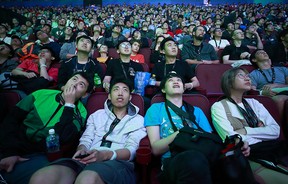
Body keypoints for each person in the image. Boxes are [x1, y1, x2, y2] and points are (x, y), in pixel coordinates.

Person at [29, 78, 147, 184]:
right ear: (109, 96)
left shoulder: (139, 120)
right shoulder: (97, 115)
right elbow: (86, 138)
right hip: (86, 158)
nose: (120, 93)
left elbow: (132, 150)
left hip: (116, 162)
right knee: (42, 177)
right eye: (116, 89)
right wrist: (82, 150)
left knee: (87, 179)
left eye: (125, 90)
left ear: (130, 97)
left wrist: (105, 155)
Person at [144, 72, 252, 184]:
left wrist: (234, 145)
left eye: (179, 80)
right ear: (163, 90)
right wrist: (182, 133)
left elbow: (208, 141)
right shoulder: (155, 109)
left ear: (184, 88)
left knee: (234, 157)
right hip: (173, 160)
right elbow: (156, 149)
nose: (176, 81)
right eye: (170, 80)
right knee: (194, 159)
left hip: (203, 156)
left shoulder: (197, 111)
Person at [0, 72, 94, 184]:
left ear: (85, 95)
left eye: (81, 85)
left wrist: (69, 105)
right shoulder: (41, 94)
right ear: (67, 82)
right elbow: (11, 120)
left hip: (41, 154)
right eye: (74, 79)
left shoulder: (81, 112)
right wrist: (10, 151)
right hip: (13, 144)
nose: (74, 84)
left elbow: (63, 137)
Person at [211, 67, 288, 184]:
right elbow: (230, 138)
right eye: (241, 76)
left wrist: (245, 130)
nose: (248, 78)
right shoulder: (219, 106)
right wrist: (261, 130)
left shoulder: (254, 103)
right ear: (229, 82)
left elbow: (275, 131)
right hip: (250, 152)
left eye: (248, 76)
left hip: (274, 147)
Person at [249, 49, 288, 122]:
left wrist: (276, 85)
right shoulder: (253, 74)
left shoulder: (283, 69)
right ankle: (279, 128)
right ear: (254, 59)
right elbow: (252, 91)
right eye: (260, 52)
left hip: (286, 91)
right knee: (279, 99)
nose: (264, 52)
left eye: (265, 52)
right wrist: (262, 93)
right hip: (271, 95)